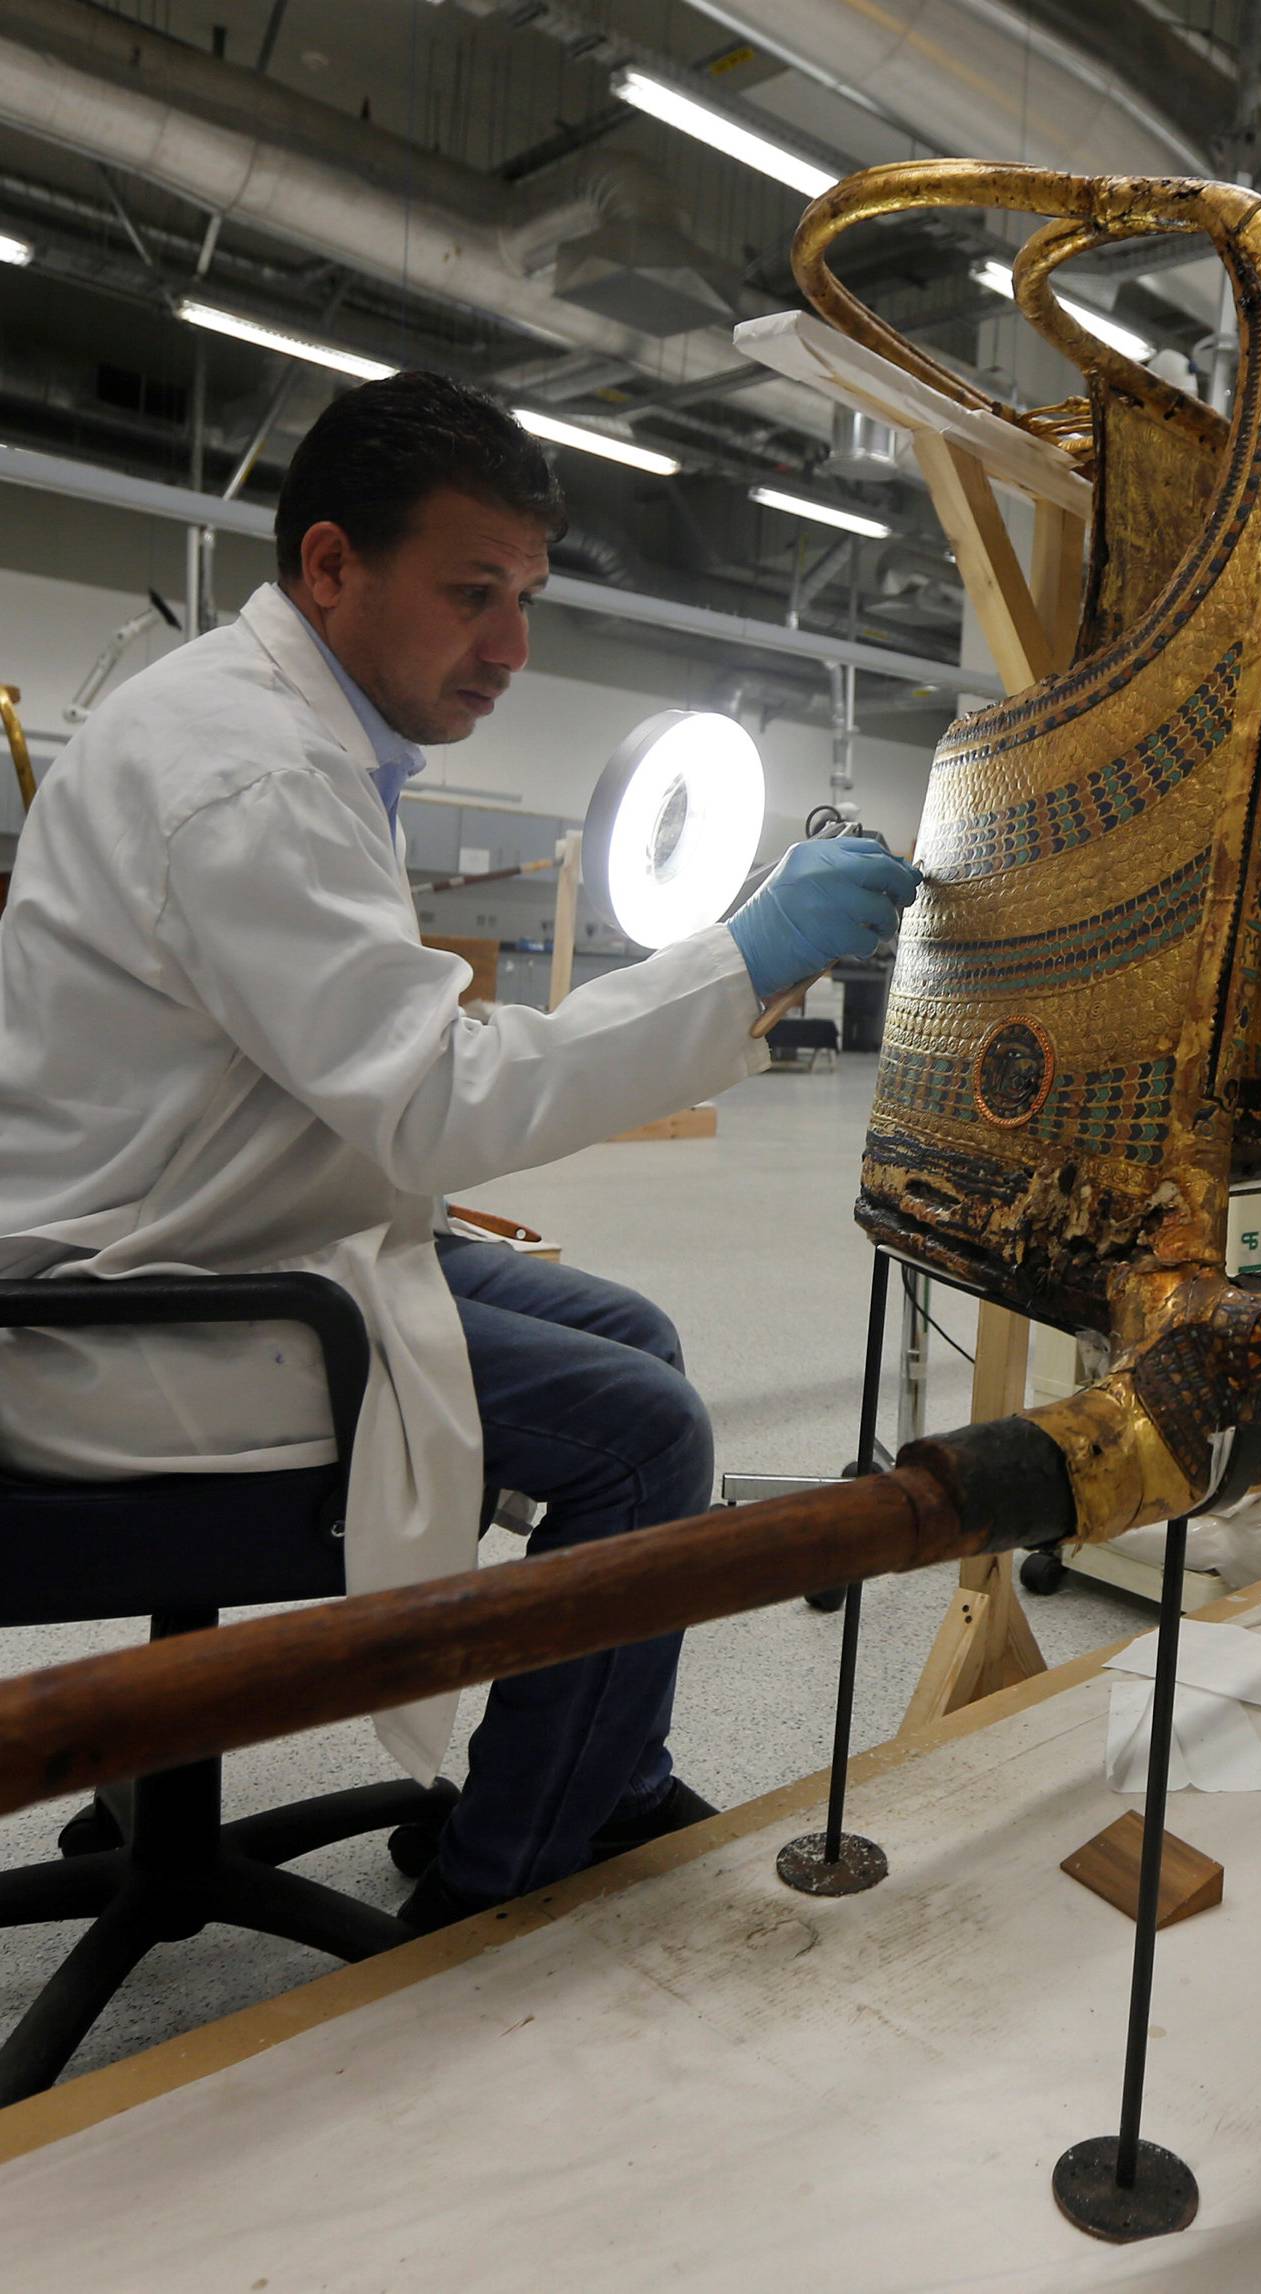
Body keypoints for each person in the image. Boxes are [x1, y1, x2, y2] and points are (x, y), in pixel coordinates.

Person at [0, 371, 921, 1929]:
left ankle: (595, 1770)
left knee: (633, 1331)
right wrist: (744, 954)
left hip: (209, 1230)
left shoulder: (267, 720)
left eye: (528, 599)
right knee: (642, 1436)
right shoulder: (252, 772)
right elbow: (438, 1097)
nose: (510, 648)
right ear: (332, 565)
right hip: (128, 1307)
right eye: (472, 595)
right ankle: (499, 1894)